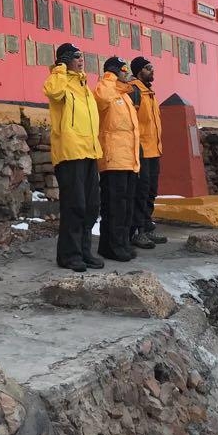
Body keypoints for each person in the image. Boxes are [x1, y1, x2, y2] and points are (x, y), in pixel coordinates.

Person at [43, 43, 104, 272]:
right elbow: (52, 92)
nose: (81, 60)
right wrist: (59, 68)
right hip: (69, 152)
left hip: (89, 150)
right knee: (74, 205)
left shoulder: (84, 85)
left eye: (82, 56)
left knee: (91, 206)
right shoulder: (59, 81)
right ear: (66, 59)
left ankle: (84, 250)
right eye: (76, 56)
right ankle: (69, 255)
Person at [94, 56, 141, 261]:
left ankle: (121, 242)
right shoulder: (106, 89)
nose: (127, 73)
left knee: (126, 205)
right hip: (114, 158)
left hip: (129, 159)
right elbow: (102, 98)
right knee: (114, 205)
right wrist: (110, 77)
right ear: (114, 71)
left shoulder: (125, 95)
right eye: (123, 70)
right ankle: (111, 246)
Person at [129, 56, 167, 248]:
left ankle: (146, 227)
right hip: (142, 150)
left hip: (154, 151)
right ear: (138, 71)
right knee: (140, 192)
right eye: (147, 68)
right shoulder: (134, 91)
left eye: (152, 67)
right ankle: (137, 231)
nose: (152, 70)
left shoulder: (150, 93)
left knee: (151, 192)